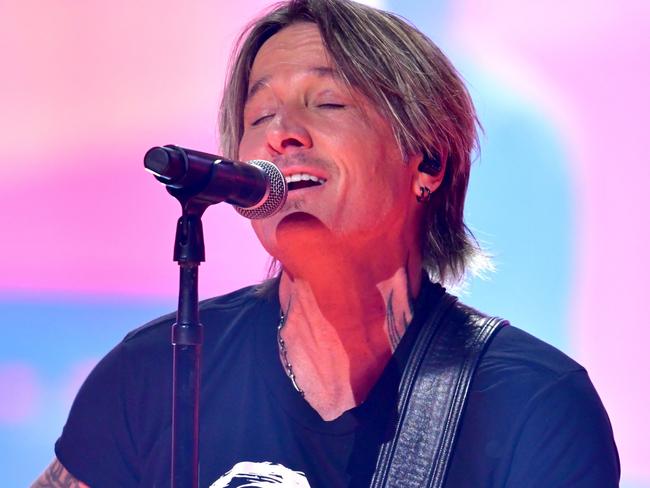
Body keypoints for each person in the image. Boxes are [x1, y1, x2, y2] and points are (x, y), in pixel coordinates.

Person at [33, 0, 620, 487]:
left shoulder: (533, 402)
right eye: (260, 115)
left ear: (429, 161)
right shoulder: (152, 373)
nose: (283, 134)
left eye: (329, 102)